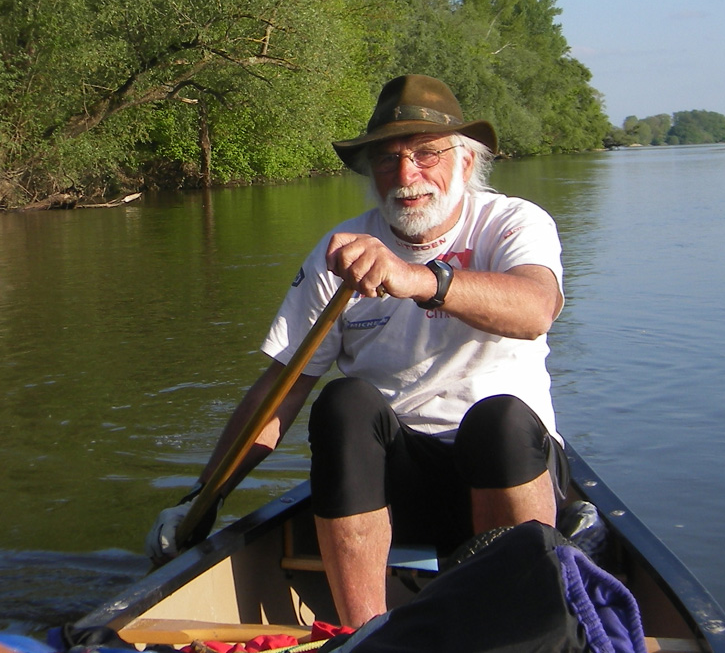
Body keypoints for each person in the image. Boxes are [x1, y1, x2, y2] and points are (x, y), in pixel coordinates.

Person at [145, 74, 568, 627]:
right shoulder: (341, 251)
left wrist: (421, 279)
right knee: (343, 403)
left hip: (509, 472)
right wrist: (204, 496)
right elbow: (282, 389)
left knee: (501, 421)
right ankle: (365, 634)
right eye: (388, 159)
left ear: (466, 162)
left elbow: (537, 308)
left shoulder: (513, 223)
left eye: (426, 154)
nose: (407, 175)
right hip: (396, 489)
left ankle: (519, 623)